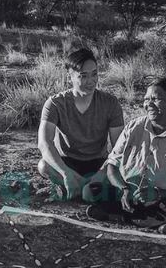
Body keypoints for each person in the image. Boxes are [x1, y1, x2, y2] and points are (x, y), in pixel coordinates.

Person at [87, 77, 166, 234]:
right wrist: (124, 189)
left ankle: (123, 216)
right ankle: (152, 220)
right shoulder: (133, 127)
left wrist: (159, 193)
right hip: (128, 194)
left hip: (163, 200)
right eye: (146, 99)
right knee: (94, 190)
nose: (148, 104)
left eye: (155, 99)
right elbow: (112, 165)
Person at [37, 48, 124, 201]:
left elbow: (119, 147)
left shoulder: (110, 103)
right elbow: (44, 144)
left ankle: (83, 187)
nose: (91, 81)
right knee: (44, 166)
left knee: (123, 168)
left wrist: (101, 174)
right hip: (67, 162)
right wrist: (66, 173)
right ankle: (80, 185)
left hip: (98, 163)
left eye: (94, 74)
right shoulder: (55, 104)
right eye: (83, 76)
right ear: (70, 76)